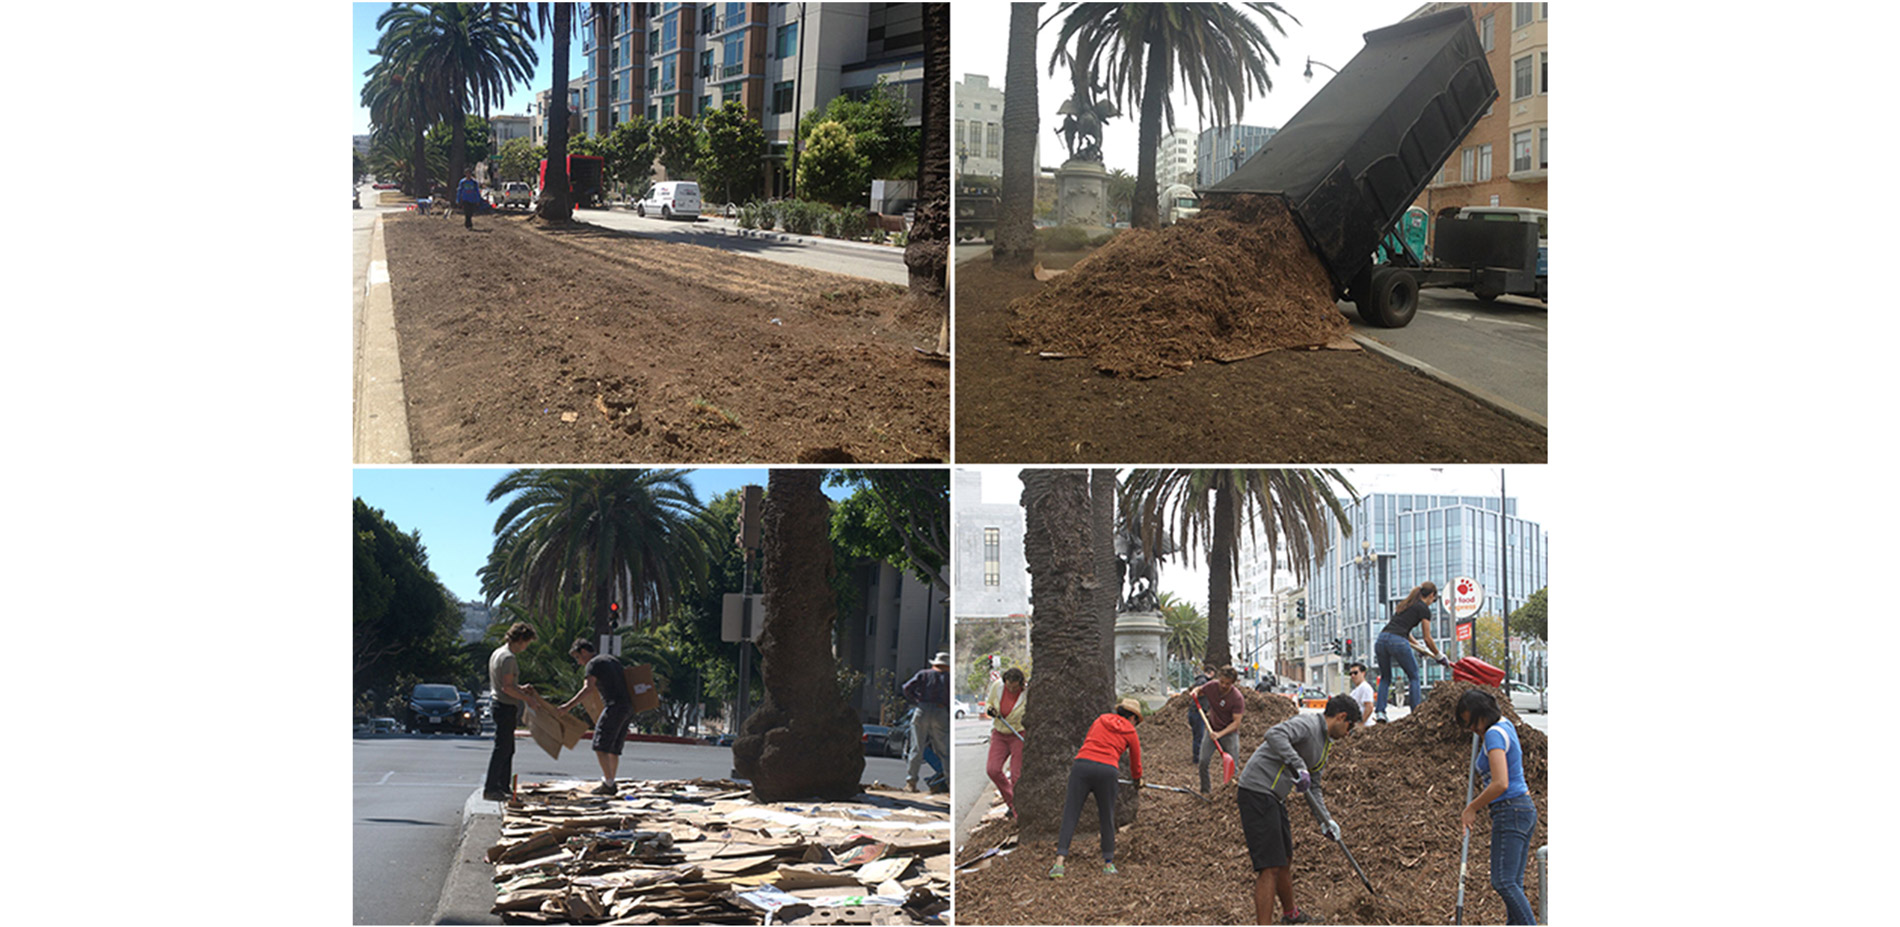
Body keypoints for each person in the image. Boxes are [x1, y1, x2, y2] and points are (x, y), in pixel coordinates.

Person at [1235, 694, 1362, 925]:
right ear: (1342, 717)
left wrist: (1326, 820)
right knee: (1270, 866)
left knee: (1284, 859)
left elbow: (1313, 785)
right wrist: (1298, 765)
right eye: (1349, 727)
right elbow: (1274, 734)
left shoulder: (1324, 745)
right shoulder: (1307, 724)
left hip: (1274, 797)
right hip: (1257, 790)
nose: (1348, 734)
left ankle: (1290, 915)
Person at [1456, 689, 1538, 925]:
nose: (1472, 728)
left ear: (1482, 713)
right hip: (1521, 809)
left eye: (1471, 722)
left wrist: (1472, 807)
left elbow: (1501, 783)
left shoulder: (1493, 734)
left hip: (1510, 809)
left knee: (1504, 882)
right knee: (1513, 882)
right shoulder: (1505, 725)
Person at [1051, 698, 1144, 878]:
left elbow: (1090, 740)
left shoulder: (1101, 719)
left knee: (1071, 812)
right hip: (1108, 771)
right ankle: (1108, 863)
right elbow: (1136, 762)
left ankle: (1059, 863)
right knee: (1106, 815)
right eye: (1136, 721)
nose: (1136, 724)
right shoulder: (1131, 732)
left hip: (1082, 766)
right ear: (1132, 717)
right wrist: (1137, 780)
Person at [558, 638, 633, 796]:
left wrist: (567, 706)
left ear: (584, 652)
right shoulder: (611, 659)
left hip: (614, 706)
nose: (579, 663)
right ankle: (611, 781)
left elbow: (588, 689)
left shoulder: (593, 664)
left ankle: (609, 784)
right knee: (613, 749)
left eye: (578, 657)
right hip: (628, 707)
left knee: (599, 746)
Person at [1375, 581, 1449, 722]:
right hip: (1398, 641)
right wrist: (1439, 655)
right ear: (1432, 595)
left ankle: (1380, 712)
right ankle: (1416, 712)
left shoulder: (1405, 605)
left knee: (1385, 678)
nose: (1432, 602)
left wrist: (1419, 647)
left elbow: (1403, 629)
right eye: (1433, 599)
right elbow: (1428, 637)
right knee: (1414, 676)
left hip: (1381, 640)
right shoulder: (1424, 609)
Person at [484, 622, 541, 802]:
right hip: (505, 705)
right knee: (503, 748)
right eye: (527, 643)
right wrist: (528, 699)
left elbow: (507, 685)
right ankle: (492, 787)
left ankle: (503, 785)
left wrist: (522, 689)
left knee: (508, 748)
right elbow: (507, 688)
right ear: (521, 640)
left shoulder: (498, 653)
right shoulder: (509, 658)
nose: (526, 647)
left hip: (500, 703)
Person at [901, 652, 952, 792]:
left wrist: (916, 700)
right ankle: (950, 784)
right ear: (947, 666)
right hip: (940, 711)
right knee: (944, 751)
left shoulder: (923, 674)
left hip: (922, 710)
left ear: (934, 664)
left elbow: (906, 688)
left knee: (917, 748)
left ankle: (911, 783)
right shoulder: (949, 678)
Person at [1192, 665, 1246, 794]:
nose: (1223, 685)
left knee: (1233, 766)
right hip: (1211, 730)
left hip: (1229, 734)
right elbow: (1200, 690)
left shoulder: (1237, 698)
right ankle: (1205, 791)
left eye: (1227, 684)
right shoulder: (1211, 687)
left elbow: (1236, 723)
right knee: (1203, 761)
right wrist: (1195, 691)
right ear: (1218, 678)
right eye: (1221, 682)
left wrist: (1220, 734)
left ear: (1232, 683)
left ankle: (1230, 794)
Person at [984, 667, 1027, 818]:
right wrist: (990, 710)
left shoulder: (1027, 694)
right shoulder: (997, 686)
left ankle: (1018, 812)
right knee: (993, 770)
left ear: (1021, 684)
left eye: (1015, 687)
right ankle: (1011, 802)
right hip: (1000, 734)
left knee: (1016, 776)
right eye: (1009, 686)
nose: (1011, 689)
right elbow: (989, 703)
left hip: (1018, 734)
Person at [1187, 662, 1214, 764]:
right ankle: (1197, 759)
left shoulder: (1200, 680)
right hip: (1197, 712)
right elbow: (1197, 691)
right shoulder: (1202, 681)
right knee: (1199, 736)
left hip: (1196, 712)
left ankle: (1197, 757)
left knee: (1198, 736)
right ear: (1211, 673)